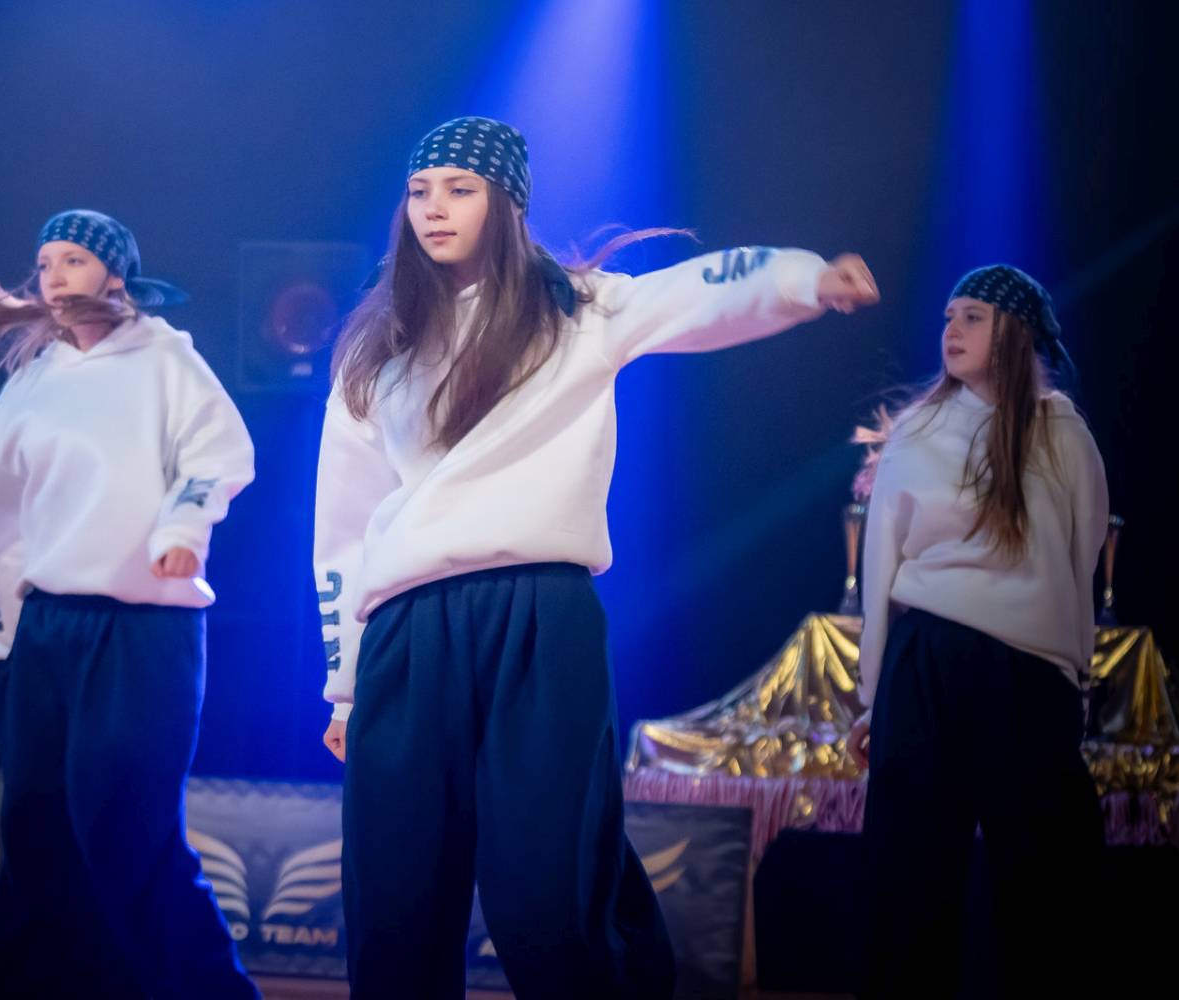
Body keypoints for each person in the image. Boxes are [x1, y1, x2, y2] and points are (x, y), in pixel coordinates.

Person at [312, 115, 880, 999]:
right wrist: (345, 683)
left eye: (460, 189)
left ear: (507, 204)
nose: (433, 208)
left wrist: (804, 278)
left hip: (539, 616)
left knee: (548, 889)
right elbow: (344, 524)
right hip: (408, 631)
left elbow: (698, 292)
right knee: (396, 893)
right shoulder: (380, 346)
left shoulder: (577, 307)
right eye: (419, 191)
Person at [0, 209, 259, 999]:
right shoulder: (34, 379)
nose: (54, 276)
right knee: (36, 832)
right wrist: (6, 633)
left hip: (143, 631)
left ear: (115, 274)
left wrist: (182, 529)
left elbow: (222, 455)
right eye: (45, 261)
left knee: (125, 831)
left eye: (74, 259)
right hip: (46, 632)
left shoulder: (166, 360)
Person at [848, 264, 1108, 998]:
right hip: (928, 661)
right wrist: (874, 698)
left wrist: (1073, 675)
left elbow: (1082, 556)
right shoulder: (920, 430)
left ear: (1015, 330)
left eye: (972, 316)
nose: (951, 331)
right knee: (909, 880)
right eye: (947, 317)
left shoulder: (1062, 433)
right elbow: (881, 564)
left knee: (1046, 883)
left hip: (1027, 674)